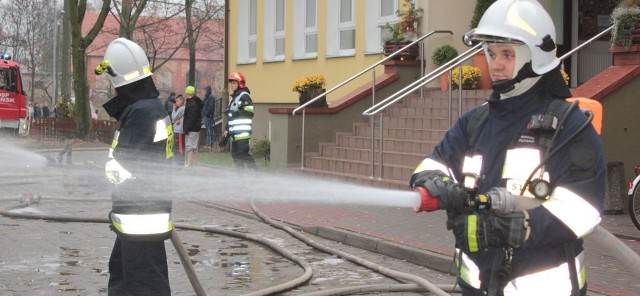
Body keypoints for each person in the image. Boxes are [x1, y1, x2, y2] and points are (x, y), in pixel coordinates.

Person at [408, 1, 605, 295]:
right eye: (491, 53)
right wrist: (435, 183)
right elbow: (433, 163)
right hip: (477, 287)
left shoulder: (569, 127)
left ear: (535, 56)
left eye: (507, 54)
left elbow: (584, 209)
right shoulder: (475, 122)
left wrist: (517, 226)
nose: (495, 64)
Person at [96, 37, 174, 296]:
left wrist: (91, 179)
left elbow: (130, 162)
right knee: (124, 276)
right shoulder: (145, 107)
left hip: (141, 214)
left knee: (143, 284)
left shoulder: (142, 112)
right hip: (137, 213)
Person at [224, 72, 258, 170]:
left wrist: (236, 114)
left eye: (234, 83)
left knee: (243, 154)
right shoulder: (234, 97)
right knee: (235, 155)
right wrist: (227, 129)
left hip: (242, 133)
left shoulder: (244, 96)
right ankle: (240, 176)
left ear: (240, 83)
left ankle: (256, 174)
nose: (231, 85)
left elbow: (250, 112)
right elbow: (231, 115)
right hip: (235, 132)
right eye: (231, 83)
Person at [183, 85, 203, 167]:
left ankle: (189, 163)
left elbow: (191, 118)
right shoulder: (196, 102)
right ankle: (194, 163)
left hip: (192, 128)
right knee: (194, 146)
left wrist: (186, 128)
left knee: (190, 146)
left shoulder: (192, 104)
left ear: (187, 93)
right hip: (196, 127)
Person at [171, 94, 186, 165]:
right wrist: (175, 120)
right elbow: (174, 119)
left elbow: (174, 117)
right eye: (175, 101)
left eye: (177, 101)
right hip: (176, 130)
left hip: (179, 131)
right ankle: (178, 161)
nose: (176, 103)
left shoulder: (182, 109)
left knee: (179, 148)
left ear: (182, 101)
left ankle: (180, 162)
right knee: (176, 147)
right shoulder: (179, 109)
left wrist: (174, 110)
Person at [201, 85, 216, 151]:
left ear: (207, 90)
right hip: (206, 116)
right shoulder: (207, 97)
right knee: (208, 129)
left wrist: (207, 114)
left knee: (209, 130)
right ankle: (208, 144)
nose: (204, 92)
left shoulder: (211, 97)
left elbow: (211, 107)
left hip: (208, 116)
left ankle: (210, 144)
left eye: (205, 90)